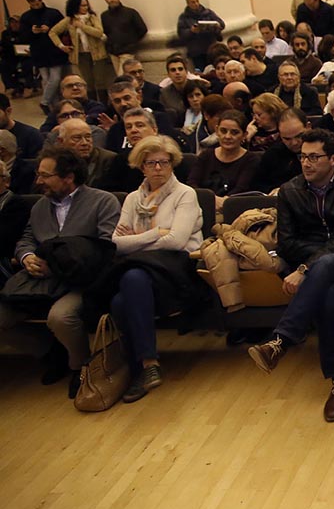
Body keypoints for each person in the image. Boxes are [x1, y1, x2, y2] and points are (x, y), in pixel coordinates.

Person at [245, 129, 334, 421]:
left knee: (327, 266)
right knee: (325, 296)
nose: (306, 163)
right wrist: (313, 263)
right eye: (303, 157)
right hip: (314, 269)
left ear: (333, 159)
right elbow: (287, 242)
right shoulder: (289, 190)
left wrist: (306, 268)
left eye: (314, 157)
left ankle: (281, 341)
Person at [0, 147, 120, 398]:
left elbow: (106, 247)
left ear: (68, 177)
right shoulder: (40, 207)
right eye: (38, 174)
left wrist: (58, 263)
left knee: (61, 317)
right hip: (39, 281)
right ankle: (50, 351)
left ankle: (80, 365)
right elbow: (27, 239)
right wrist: (27, 257)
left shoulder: (102, 201)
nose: (38, 181)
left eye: (45, 175)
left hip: (81, 281)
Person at [109, 136, 207, 403]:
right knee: (122, 297)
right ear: (142, 167)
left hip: (176, 270)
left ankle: (141, 365)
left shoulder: (184, 194)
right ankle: (145, 366)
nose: (158, 168)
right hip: (143, 272)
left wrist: (137, 239)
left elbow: (176, 242)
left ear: (172, 164)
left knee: (128, 285)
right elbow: (116, 244)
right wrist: (156, 233)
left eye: (164, 162)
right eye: (151, 163)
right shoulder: (132, 199)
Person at [187, 110, 261, 201]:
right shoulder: (206, 155)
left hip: (233, 207)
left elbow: (241, 189)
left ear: (244, 135)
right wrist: (211, 200)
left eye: (234, 132)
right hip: (202, 204)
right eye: (223, 131)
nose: (227, 136)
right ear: (217, 130)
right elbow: (192, 183)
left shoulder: (251, 160)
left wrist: (222, 202)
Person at [49, 0, 110, 99]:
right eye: (82, 6)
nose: (85, 8)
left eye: (86, 5)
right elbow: (53, 32)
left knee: (100, 81)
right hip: (81, 55)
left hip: (97, 54)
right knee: (87, 81)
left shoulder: (92, 18)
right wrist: (61, 46)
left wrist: (82, 26)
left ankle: (103, 103)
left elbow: (99, 32)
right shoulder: (69, 20)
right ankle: (92, 103)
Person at [18, 0, 67, 107]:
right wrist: (32, 32)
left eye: (37, 2)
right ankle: (55, 105)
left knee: (55, 79)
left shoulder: (53, 13)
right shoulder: (26, 17)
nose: (36, 4)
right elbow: (22, 37)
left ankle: (44, 101)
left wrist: (50, 30)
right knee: (46, 79)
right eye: (32, 3)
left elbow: (64, 30)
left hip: (55, 51)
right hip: (39, 52)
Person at [251, 108, 305, 194]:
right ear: (279, 134)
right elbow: (258, 185)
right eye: (287, 139)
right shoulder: (273, 154)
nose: (294, 143)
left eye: (299, 136)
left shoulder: (323, 149)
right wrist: (273, 190)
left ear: (308, 127)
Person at [57, 117, 116, 187]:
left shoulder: (109, 159)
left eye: (88, 137)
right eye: (77, 138)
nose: (84, 143)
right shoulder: (53, 161)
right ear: (61, 141)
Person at [176, 0, 224, 65]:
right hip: (197, 51)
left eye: (197, 1)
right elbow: (181, 34)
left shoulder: (208, 13)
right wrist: (191, 31)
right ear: (188, 4)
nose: (196, 4)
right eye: (193, 2)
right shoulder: (184, 17)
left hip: (211, 48)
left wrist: (216, 25)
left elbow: (221, 24)